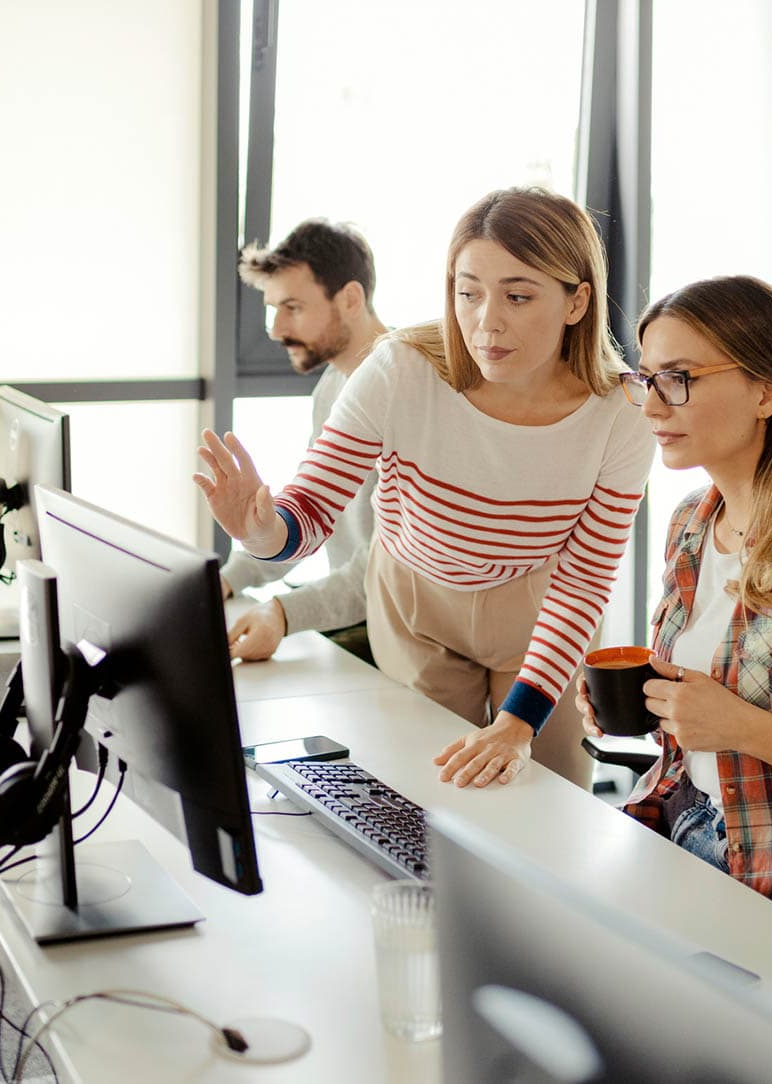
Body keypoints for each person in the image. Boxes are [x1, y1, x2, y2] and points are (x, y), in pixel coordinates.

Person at [195, 187, 655, 790]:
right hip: (416, 601)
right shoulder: (400, 369)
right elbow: (311, 508)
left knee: (548, 793)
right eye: (468, 293)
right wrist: (262, 531)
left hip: (540, 604)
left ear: (577, 302)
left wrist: (519, 722)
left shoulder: (622, 409)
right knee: (428, 794)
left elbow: (585, 578)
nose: (487, 321)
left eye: (518, 296)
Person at [576, 274, 772, 896]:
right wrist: (647, 704)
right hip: (681, 826)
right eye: (646, 378)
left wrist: (740, 726)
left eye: (678, 379)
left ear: (767, 391)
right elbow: (705, 703)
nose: (652, 406)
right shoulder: (693, 521)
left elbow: (737, 721)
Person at [220, 219, 386, 661]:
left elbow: (383, 573)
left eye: (292, 306)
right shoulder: (332, 386)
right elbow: (308, 521)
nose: (275, 330)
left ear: (351, 299)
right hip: (356, 618)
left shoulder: (406, 394)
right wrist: (228, 578)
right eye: (274, 307)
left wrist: (283, 613)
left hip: (394, 632)